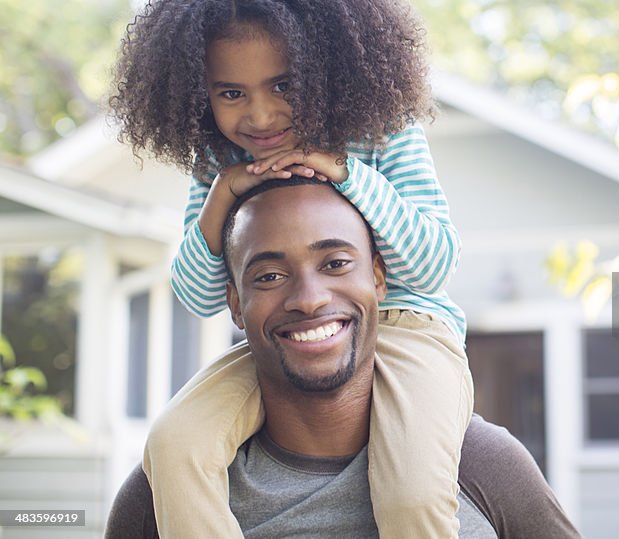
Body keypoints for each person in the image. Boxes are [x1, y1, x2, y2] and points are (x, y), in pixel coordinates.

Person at [108, 0, 470, 538]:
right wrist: (223, 194)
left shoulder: (379, 131)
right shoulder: (222, 160)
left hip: (408, 327)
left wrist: (346, 173)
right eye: (231, 93)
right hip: (280, 342)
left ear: (326, 69)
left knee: (412, 494)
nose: (260, 115)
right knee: (175, 445)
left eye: (283, 86)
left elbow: (433, 264)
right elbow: (200, 296)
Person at [104, 177, 582, 538]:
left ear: (378, 277)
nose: (309, 299)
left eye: (335, 264)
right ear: (234, 303)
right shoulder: (164, 491)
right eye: (269, 276)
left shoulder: (480, 466)